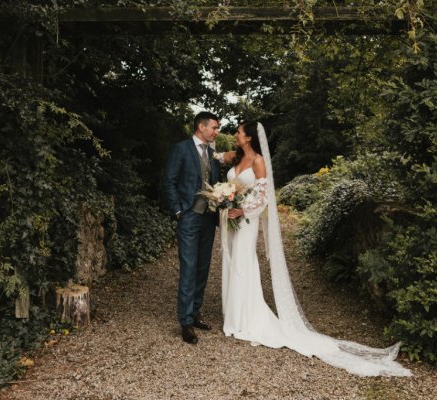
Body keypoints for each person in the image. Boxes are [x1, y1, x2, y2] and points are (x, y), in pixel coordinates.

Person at [217, 121, 411, 376]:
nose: (235, 134)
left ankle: (245, 318)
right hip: (232, 217)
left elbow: (263, 198)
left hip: (247, 219)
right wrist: (222, 193)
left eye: (239, 131)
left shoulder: (258, 162)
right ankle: (232, 315)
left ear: (250, 137)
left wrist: (242, 209)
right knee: (231, 261)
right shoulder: (236, 157)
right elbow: (217, 160)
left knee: (243, 262)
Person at [163, 111, 221, 344]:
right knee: (189, 267)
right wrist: (178, 211)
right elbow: (168, 181)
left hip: (208, 219)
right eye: (214, 127)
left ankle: (196, 312)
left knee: (203, 267)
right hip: (188, 217)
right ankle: (185, 322)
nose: (217, 131)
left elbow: (215, 183)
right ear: (201, 126)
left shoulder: (213, 153)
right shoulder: (181, 149)